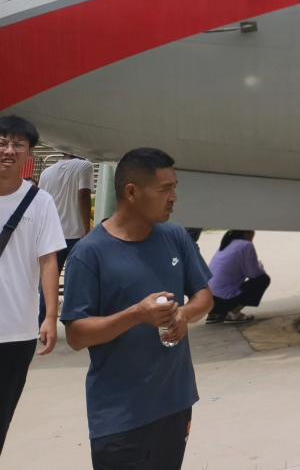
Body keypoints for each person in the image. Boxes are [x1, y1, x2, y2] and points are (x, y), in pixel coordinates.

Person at [61, 148, 214, 469]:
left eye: (175, 187)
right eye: (164, 189)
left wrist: (184, 315)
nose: (173, 197)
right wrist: (135, 315)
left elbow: (204, 295)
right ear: (131, 192)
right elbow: (76, 335)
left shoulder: (175, 236)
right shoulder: (89, 254)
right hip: (120, 416)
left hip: (174, 402)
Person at [0, 115, 64, 456]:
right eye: (2, 142)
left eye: (17, 144)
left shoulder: (40, 202)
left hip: (16, 331)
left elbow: (48, 260)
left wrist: (50, 316)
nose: (8, 150)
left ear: (29, 153)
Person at [37, 151, 93, 322]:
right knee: (76, 281)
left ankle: (43, 323)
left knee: (48, 281)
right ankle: (73, 321)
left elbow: (40, 201)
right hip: (76, 235)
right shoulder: (85, 166)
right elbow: (84, 194)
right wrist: (87, 229)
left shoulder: (46, 172)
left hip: (51, 233)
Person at [206, 231, 270, 324]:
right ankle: (234, 312)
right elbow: (253, 274)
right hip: (223, 300)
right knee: (263, 279)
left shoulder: (227, 243)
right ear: (246, 234)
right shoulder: (246, 245)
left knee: (222, 284)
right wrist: (259, 267)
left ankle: (214, 314)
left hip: (209, 300)